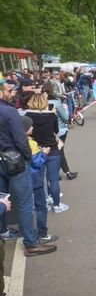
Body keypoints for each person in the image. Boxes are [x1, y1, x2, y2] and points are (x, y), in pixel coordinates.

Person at [0, 80, 57, 256]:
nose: (12, 93)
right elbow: (20, 139)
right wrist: (28, 157)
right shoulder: (9, 111)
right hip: (14, 160)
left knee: (2, 197)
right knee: (26, 202)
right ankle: (30, 243)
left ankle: (3, 230)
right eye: (9, 90)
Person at [24, 93, 69, 213]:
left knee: (40, 179)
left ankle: (43, 203)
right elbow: (56, 130)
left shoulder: (27, 116)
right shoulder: (52, 116)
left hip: (36, 150)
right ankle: (57, 205)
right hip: (52, 149)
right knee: (53, 179)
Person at [22, 116, 58, 244]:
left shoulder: (16, 141)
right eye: (30, 126)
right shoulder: (31, 143)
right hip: (35, 178)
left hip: (22, 179)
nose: (33, 127)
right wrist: (44, 153)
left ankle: (27, 233)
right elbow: (36, 162)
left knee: (26, 207)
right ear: (26, 129)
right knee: (41, 206)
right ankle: (42, 233)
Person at [42, 83, 77, 180]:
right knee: (59, 151)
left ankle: (57, 173)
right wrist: (65, 109)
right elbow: (65, 118)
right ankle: (67, 172)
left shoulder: (41, 102)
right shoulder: (56, 103)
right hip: (60, 129)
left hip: (47, 130)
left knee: (52, 152)